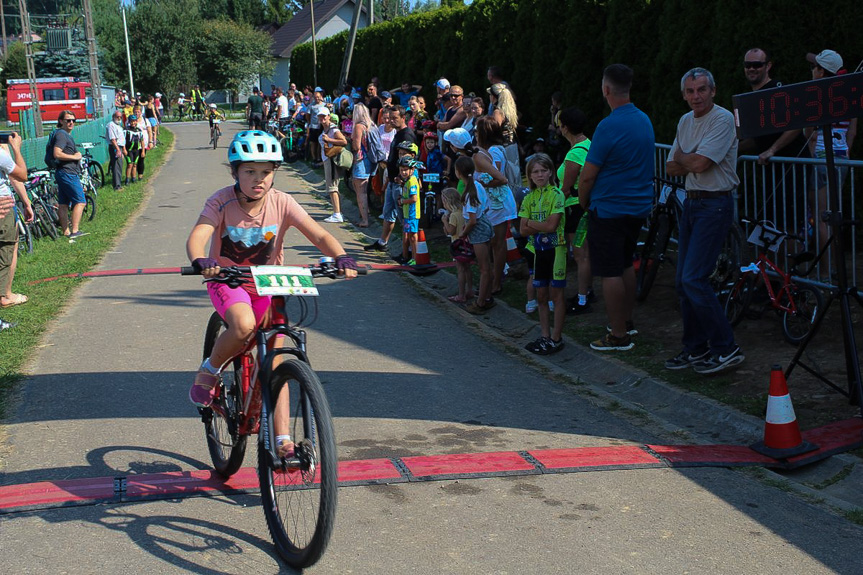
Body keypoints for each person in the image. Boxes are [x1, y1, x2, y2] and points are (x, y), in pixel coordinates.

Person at [186, 130, 357, 457]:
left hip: (268, 282)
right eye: (250, 171)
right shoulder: (221, 201)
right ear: (234, 172)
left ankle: (283, 443)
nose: (258, 179)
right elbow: (199, 234)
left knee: (276, 360)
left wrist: (341, 256)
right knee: (243, 326)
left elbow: (319, 235)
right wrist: (201, 259)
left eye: (266, 171)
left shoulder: (283, 202)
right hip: (228, 279)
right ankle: (210, 368)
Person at [665, 67, 744, 374]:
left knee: (694, 278)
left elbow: (699, 162)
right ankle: (695, 348)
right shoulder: (685, 121)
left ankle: (726, 347)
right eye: (690, 91)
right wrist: (691, 160)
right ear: (684, 94)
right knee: (684, 282)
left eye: (701, 90)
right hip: (693, 203)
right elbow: (673, 167)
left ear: (713, 91)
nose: (695, 96)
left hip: (715, 204)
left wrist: (689, 158)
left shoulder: (723, 119)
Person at [578, 64, 654, 351]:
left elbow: (588, 174)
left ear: (606, 89)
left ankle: (618, 335)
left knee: (610, 271)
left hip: (609, 208)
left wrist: (584, 200)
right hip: (637, 208)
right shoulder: (644, 119)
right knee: (625, 264)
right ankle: (627, 321)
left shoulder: (608, 126)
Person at [805, 49, 857, 249]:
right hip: (842, 158)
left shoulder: (813, 98)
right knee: (834, 214)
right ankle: (836, 269)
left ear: (820, 72)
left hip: (820, 159)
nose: (812, 70)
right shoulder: (849, 97)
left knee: (821, 217)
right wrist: (844, 154)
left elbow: (808, 135)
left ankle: (825, 275)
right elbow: (851, 133)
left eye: (814, 67)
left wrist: (813, 156)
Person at [520, 153, 566, 355]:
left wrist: (532, 223)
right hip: (538, 251)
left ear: (550, 172)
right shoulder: (528, 197)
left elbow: (552, 226)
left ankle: (556, 338)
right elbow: (522, 230)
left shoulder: (557, 194)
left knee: (556, 295)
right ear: (529, 175)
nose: (539, 175)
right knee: (541, 295)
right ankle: (545, 335)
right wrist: (538, 226)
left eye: (543, 171)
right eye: (535, 172)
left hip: (556, 250)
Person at [556, 107, 593, 315]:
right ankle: (588, 291)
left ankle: (582, 299)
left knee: (580, 256)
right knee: (586, 254)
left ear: (565, 127)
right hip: (584, 206)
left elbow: (566, 187)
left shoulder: (576, 153)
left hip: (575, 208)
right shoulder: (588, 144)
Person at [364, 105, 416, 252]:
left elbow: (410, 161)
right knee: (388, 213)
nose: (391, 121)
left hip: (401, 183)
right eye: (390, 118)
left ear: (403, 118)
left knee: (404, 218)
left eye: (395, 118)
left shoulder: (407, 135)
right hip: (392, 180)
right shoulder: (397, 133)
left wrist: (403, 178)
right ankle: (382, 242)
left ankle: (409, 252)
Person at [474, 116, 516, 295]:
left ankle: (496, 282)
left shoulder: (494, 151)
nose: (475, 134)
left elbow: (497, 177)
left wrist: (481, 182)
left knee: (498, 243)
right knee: (493, 242)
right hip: (492, 202)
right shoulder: (488, 149)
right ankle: (491, 278)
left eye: (477, 131)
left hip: (498, 202)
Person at [455, 155, 495, 314]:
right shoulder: (478, 185)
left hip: (477, 230)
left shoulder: (470, 192)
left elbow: (472, 221)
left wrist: (463, 234)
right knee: (487, 266)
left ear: (458, 173)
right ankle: (487, 296)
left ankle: (480, 303)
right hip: (485, 224)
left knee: (484, 268)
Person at [0, 132, 30, 323]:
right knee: (5, 254)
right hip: (3, 208)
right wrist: (16, 148)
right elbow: (21, 174)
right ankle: (5, 295)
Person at [52, 110, 88, 239]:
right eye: (68, 120)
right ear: (61, 121)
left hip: (62, 172)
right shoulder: (62, 135)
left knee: (63, 203)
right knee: (80, 201)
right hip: (68, 172)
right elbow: (57, 153)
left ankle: (66, 231)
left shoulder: (62, 134)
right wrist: (74, 157)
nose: (71, 122)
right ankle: (75, 231)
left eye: (73, 120)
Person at [441, 186, 473, 303]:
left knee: (460, 270)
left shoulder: (453, 215)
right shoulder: (463, 212)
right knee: (468, 268)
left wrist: (444, 221)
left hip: (457, 245)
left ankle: (461, 294)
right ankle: (470, 290)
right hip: (466, 244)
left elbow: (450, 231)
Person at [488, 83, 521, 189]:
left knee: (507, 175)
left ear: (494, 97)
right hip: (512, 145)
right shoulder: (509, 110)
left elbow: (495, 130)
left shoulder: (498, 112)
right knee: (514, 174)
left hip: (503, 147)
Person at [319, 111, 349, 223]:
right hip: (327, 159)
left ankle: (337, 214)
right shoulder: (325, 129)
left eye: (324, 116)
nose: (322, 118)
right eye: (320, 116)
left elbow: (344, 141)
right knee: (332, 187)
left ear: (328, 117)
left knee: (332, 187)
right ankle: (337, 212)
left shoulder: (333, 129)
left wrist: (329, 140)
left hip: (331, 160)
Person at [350, 102, 375, 227]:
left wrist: (352, 140)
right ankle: (365, 214)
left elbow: (357, 146)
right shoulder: (371, 124)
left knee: (361, 191)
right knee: (364, 189)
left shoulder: (359, 126)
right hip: (369, 159)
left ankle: (364, 219)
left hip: (360, 160)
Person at [397, 156, 421, 265]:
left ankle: (415, 259)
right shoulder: (407, 181)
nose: (403, 172)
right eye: (401, 170)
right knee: (410, 237)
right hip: (408, 213)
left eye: (406, 170)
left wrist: (402, 201)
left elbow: (414, 198)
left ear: (412, 170)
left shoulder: (412, 181)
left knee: (413, 237)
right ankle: (412, 258)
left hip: (412, 213)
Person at [106, 111, 126, 191]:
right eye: (117, 116)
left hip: (119, 146)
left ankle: (118, 184)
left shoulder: (118, 126)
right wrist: (118, 150)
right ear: (113, 116)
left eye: (120, 117)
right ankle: (117, 186)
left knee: (119, 165)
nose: (119, 118)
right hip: (115, 147)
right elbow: (113, 139)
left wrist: (123, 149)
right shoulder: (111, 125)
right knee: (116, 166)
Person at [124, 114, 144, 184]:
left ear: (136, 121)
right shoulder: (126, 130)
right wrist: (124, 149)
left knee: (135, 164)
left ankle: (134, 178)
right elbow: (123, 140)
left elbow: (142, 141)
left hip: (137, 150)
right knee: (130, 164)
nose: (133, 123)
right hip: (129, 150)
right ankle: (127, 179)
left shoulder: (139, 130)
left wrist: (143, 151)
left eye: (134, 121)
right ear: (129, 122)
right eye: (131, 121)